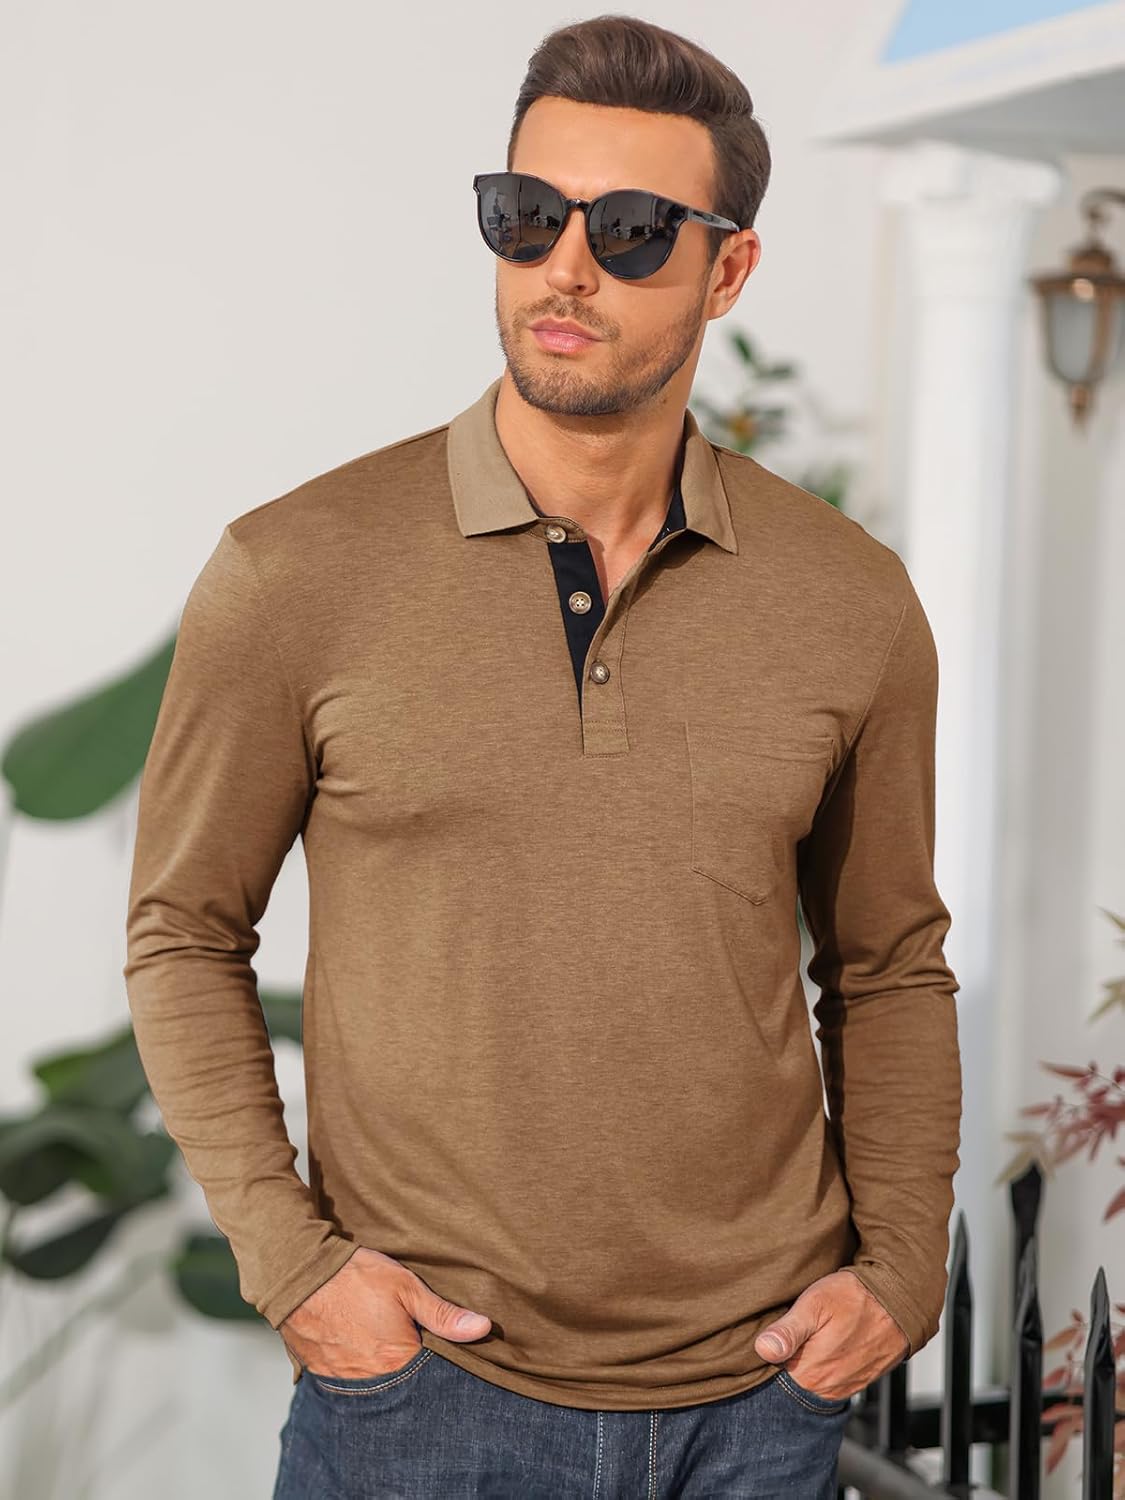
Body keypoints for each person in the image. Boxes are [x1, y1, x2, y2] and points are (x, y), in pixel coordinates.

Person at [123, 13, 962, 1498]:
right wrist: (292, 1261)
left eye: (630, 230)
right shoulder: (293, 571)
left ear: (728, 271)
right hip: (422, 1395)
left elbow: (888, 963)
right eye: (524, 215)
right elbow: (184, 929)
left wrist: (898, 1268)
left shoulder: (849, 599)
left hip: (758, 1404)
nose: (564, 268)